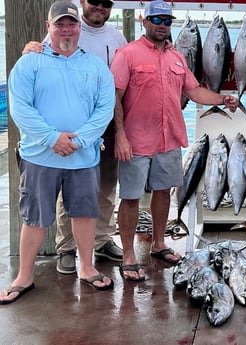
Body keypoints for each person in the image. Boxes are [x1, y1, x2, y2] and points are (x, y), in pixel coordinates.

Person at [110, 0, 238, 281]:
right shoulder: (127, 54)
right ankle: (129, 254)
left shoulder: (177, 57)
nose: (162, 26)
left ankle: (159, 243)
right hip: (135, 140)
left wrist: (222, 99)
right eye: (157, 20)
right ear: (144, 20)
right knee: (130, 197)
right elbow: (114, 99)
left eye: (167, 21)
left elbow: (193, 91)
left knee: (163, 191)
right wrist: (120, 135)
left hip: (169, 140)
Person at [0, 1, 115, 304]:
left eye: (72, 24)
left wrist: (79, 141)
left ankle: (87, 268)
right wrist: (52, 138)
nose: (66, 29)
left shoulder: (95, 66)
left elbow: (104, 109)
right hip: (39, 156)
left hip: (84, 156)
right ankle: (24, 276)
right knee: (34, 218)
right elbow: (20, 108)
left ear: (80, 27)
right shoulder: (28, 63)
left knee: (85, 214)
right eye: (60, 24)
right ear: (48, 26)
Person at [22, 0, 127, 275]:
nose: (100, 7)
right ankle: (66, 248)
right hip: (52, 144)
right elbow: (41, 53)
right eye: (95, 1)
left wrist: (86, 139)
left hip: (99, 132)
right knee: (63, 200)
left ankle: (101, 242)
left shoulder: (116, 36)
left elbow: (117, 87)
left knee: (103, 190)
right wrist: (53, 138)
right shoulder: (57, 34)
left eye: (106, 3)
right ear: (83, 4)